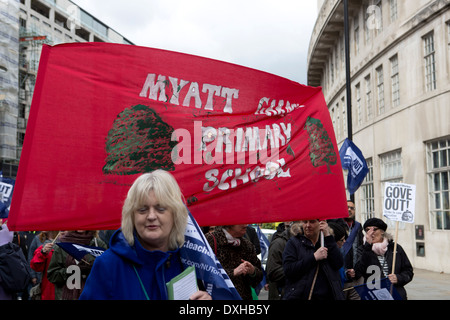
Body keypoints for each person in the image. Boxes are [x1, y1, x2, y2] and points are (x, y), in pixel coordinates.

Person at [79, 170, 211, 300]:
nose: (151, 216)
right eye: (142, 210)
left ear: (175, 214)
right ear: (131, 216)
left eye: (160, 209)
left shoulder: (191, 261)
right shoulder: (109, 265)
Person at [283, 219, 344, 300]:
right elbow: (289, 270)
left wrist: (328, 236)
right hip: (303, 295)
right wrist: (314, 257)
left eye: (312, 222)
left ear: (321, 223)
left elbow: (338, 263)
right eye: (305, 222)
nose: (308, 225)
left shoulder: (327, 241)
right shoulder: (293, 243)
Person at [353, 218, 413, 300]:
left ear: (382, 231)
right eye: (367, 230)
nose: (371, 233)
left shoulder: (395, 248)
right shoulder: (363, 249)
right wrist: (367, 247)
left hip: (395, 294)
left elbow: (408, 271)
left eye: (374, 229)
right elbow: (358, 272)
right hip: (373, 295)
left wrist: (398, 278)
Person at [206, 225, 263, 300]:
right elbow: (204, 273)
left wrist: (252, 271)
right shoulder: (210, 240)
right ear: (229, 222)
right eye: (241, 220)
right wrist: (233, 272)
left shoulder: (247, 244)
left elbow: (258, 278)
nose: (246, 224)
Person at [47, 230, 107, 300]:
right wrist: (74, 270)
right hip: (67, 296)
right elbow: (52, 275)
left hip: (93, 295)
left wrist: (94, 267)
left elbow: (109, 271)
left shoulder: (97, 244)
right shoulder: (62, 245)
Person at [266, 222, 302, 299]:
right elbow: (273, 272)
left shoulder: (311, 242)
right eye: (305, 222)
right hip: (282, 294)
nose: (308, 225)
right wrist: (300, 267)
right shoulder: (279, 243)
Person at [342, 200, 364, 299]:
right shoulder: (336, 225)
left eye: (352, 208)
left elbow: (360, 249)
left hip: (356, 278)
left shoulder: (358, 227)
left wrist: (357, 271)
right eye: (347, 207)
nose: (349, 210)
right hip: (341, 278)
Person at [29, 231, 60, 300]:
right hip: (47, 285)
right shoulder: (38, 240)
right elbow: (33, 263)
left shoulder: (64, 240)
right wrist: (42, 252)